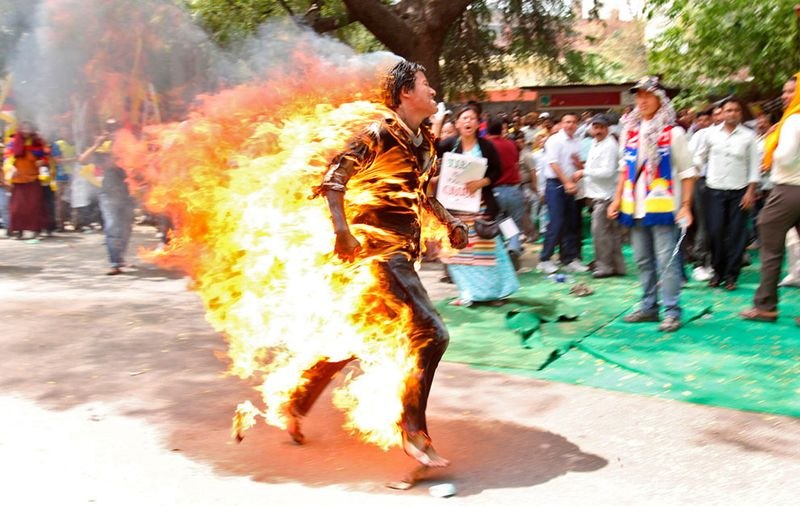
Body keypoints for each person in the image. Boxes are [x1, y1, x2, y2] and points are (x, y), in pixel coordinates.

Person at [300, 59, 469, 468]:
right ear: (406, 93)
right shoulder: (378, 133)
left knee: (355, 340)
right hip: (378, 252)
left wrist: (449, 221)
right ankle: (412, 429)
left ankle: (293, 401)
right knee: (432, 332)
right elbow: (334, 178)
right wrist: (342, 231)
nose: (432, 90)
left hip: (402, 254)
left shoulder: (426, 144)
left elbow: (422, 196)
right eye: (425, 82)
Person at [608, 76, 697, 332]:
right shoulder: (630, 131)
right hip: (634, 206)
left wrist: (686, 205)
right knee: (643, 259)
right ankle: (648, 306)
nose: (643, 101)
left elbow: (688, 172)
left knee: (666, 260)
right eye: (639, 96)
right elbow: (625, 169)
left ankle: (672, 310)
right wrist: (616, 199)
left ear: (660, 99)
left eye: (648, 95)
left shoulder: (673, 133)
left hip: (663, 208)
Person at [438, 106, 519, 305]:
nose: (468, 121)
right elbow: (430, 149)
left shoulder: (486, 146)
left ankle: (493, 294)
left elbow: (496, 172)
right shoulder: (450, 144)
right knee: (460, 253)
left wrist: (479, 184)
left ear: (477, 124)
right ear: (457, 123)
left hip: (481, 208)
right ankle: (468, 293)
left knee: (486, 251)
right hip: (456, 209)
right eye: (464, 118)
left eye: (472, 118)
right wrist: (437, 122)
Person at [741, 73, 800, 324]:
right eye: (785, 91)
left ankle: (765, 306)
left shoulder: (793, 120)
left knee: (770, 243)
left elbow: (785, 157)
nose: (786, 96)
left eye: (792, 91)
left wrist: (770, 148)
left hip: (788, 189)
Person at [692, 97, 760, 290]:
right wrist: (694, 168)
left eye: (736, 110)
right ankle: (717, 271)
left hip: (739, 192)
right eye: (728, 110)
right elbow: (700, 156)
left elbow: (754, 166)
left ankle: (731, 276)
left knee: (737, 234)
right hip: (714, 191)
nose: (732, 113)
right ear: (721, 113)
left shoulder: (749, 136)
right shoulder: (711, 134)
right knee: (714, 233)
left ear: (740, 113)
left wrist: (750, 192)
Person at [79, 119, 135, 275]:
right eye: (109, 129)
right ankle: (115, 262)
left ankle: (120, 258)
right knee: (112, 226)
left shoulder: (130, 149)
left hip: (128, 194)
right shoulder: (103, 152)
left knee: (126, 229)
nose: (113, 132)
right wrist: (97, 144)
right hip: (109, 195)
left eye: (115, 128)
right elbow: (83, 160)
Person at [537, 113, 589, 274]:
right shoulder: (555, 140)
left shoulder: (576, 142)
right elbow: (553, 164)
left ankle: (569, 258)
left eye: (574, 122)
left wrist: (579, 166)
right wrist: (566, 181)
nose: (570, 125)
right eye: (567, 122)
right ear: (561, 123)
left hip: (572, 185)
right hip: (556, 185)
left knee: (571, 223)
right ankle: (545, 259)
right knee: (556, 222)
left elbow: (577, 164)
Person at [581, 114, 625, 278]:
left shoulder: (609, 146)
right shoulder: (595, 143)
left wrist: (583, 172)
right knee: (610, 233)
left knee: (599, 233)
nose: (598, 130)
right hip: (598, 194)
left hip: (606, 197)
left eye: (601, 127)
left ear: (607, 128)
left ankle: (604, 266)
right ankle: (617, 266)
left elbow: (607, 172)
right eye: (595, 127)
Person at [486, 115, 525, 268]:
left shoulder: (486, 145)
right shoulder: (512, 144)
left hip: (495, 190)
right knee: (512, 223)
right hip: (514, 190)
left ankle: (502, 256)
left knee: (497, 223)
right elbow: (515, 162)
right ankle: (514, 247)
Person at [2, 121, 49, 239]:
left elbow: (46, 155)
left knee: (34, 206)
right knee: (17, 208)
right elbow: (7, 157)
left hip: (33, 179)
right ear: (20, 130)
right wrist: (11, 166)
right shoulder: (13, 142)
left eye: (28, 128)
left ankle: (36, 230)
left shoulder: (37, 142)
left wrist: (42, 161)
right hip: (18, 180)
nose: (26, 131)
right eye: (24, 128)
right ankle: (18, 230)